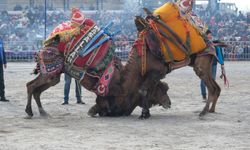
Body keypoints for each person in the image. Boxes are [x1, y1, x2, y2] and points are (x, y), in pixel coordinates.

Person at [200, 30, 225, 101]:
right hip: (204, 65)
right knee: (203, 80)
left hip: (213, 64)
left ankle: (211, 95)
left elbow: (219, 54)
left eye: (211, 34)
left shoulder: (214, 44)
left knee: (212, 80)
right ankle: (204, 96)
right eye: (209, 34)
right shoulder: (202, 44)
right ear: (206, 35)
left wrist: (222, 64)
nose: (210, 36)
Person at [0, 36, 9, 102]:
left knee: (1, 80)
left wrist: (5, 62)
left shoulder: (0, 39)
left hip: (0, 63)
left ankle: (2, 97)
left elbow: (3, 51)